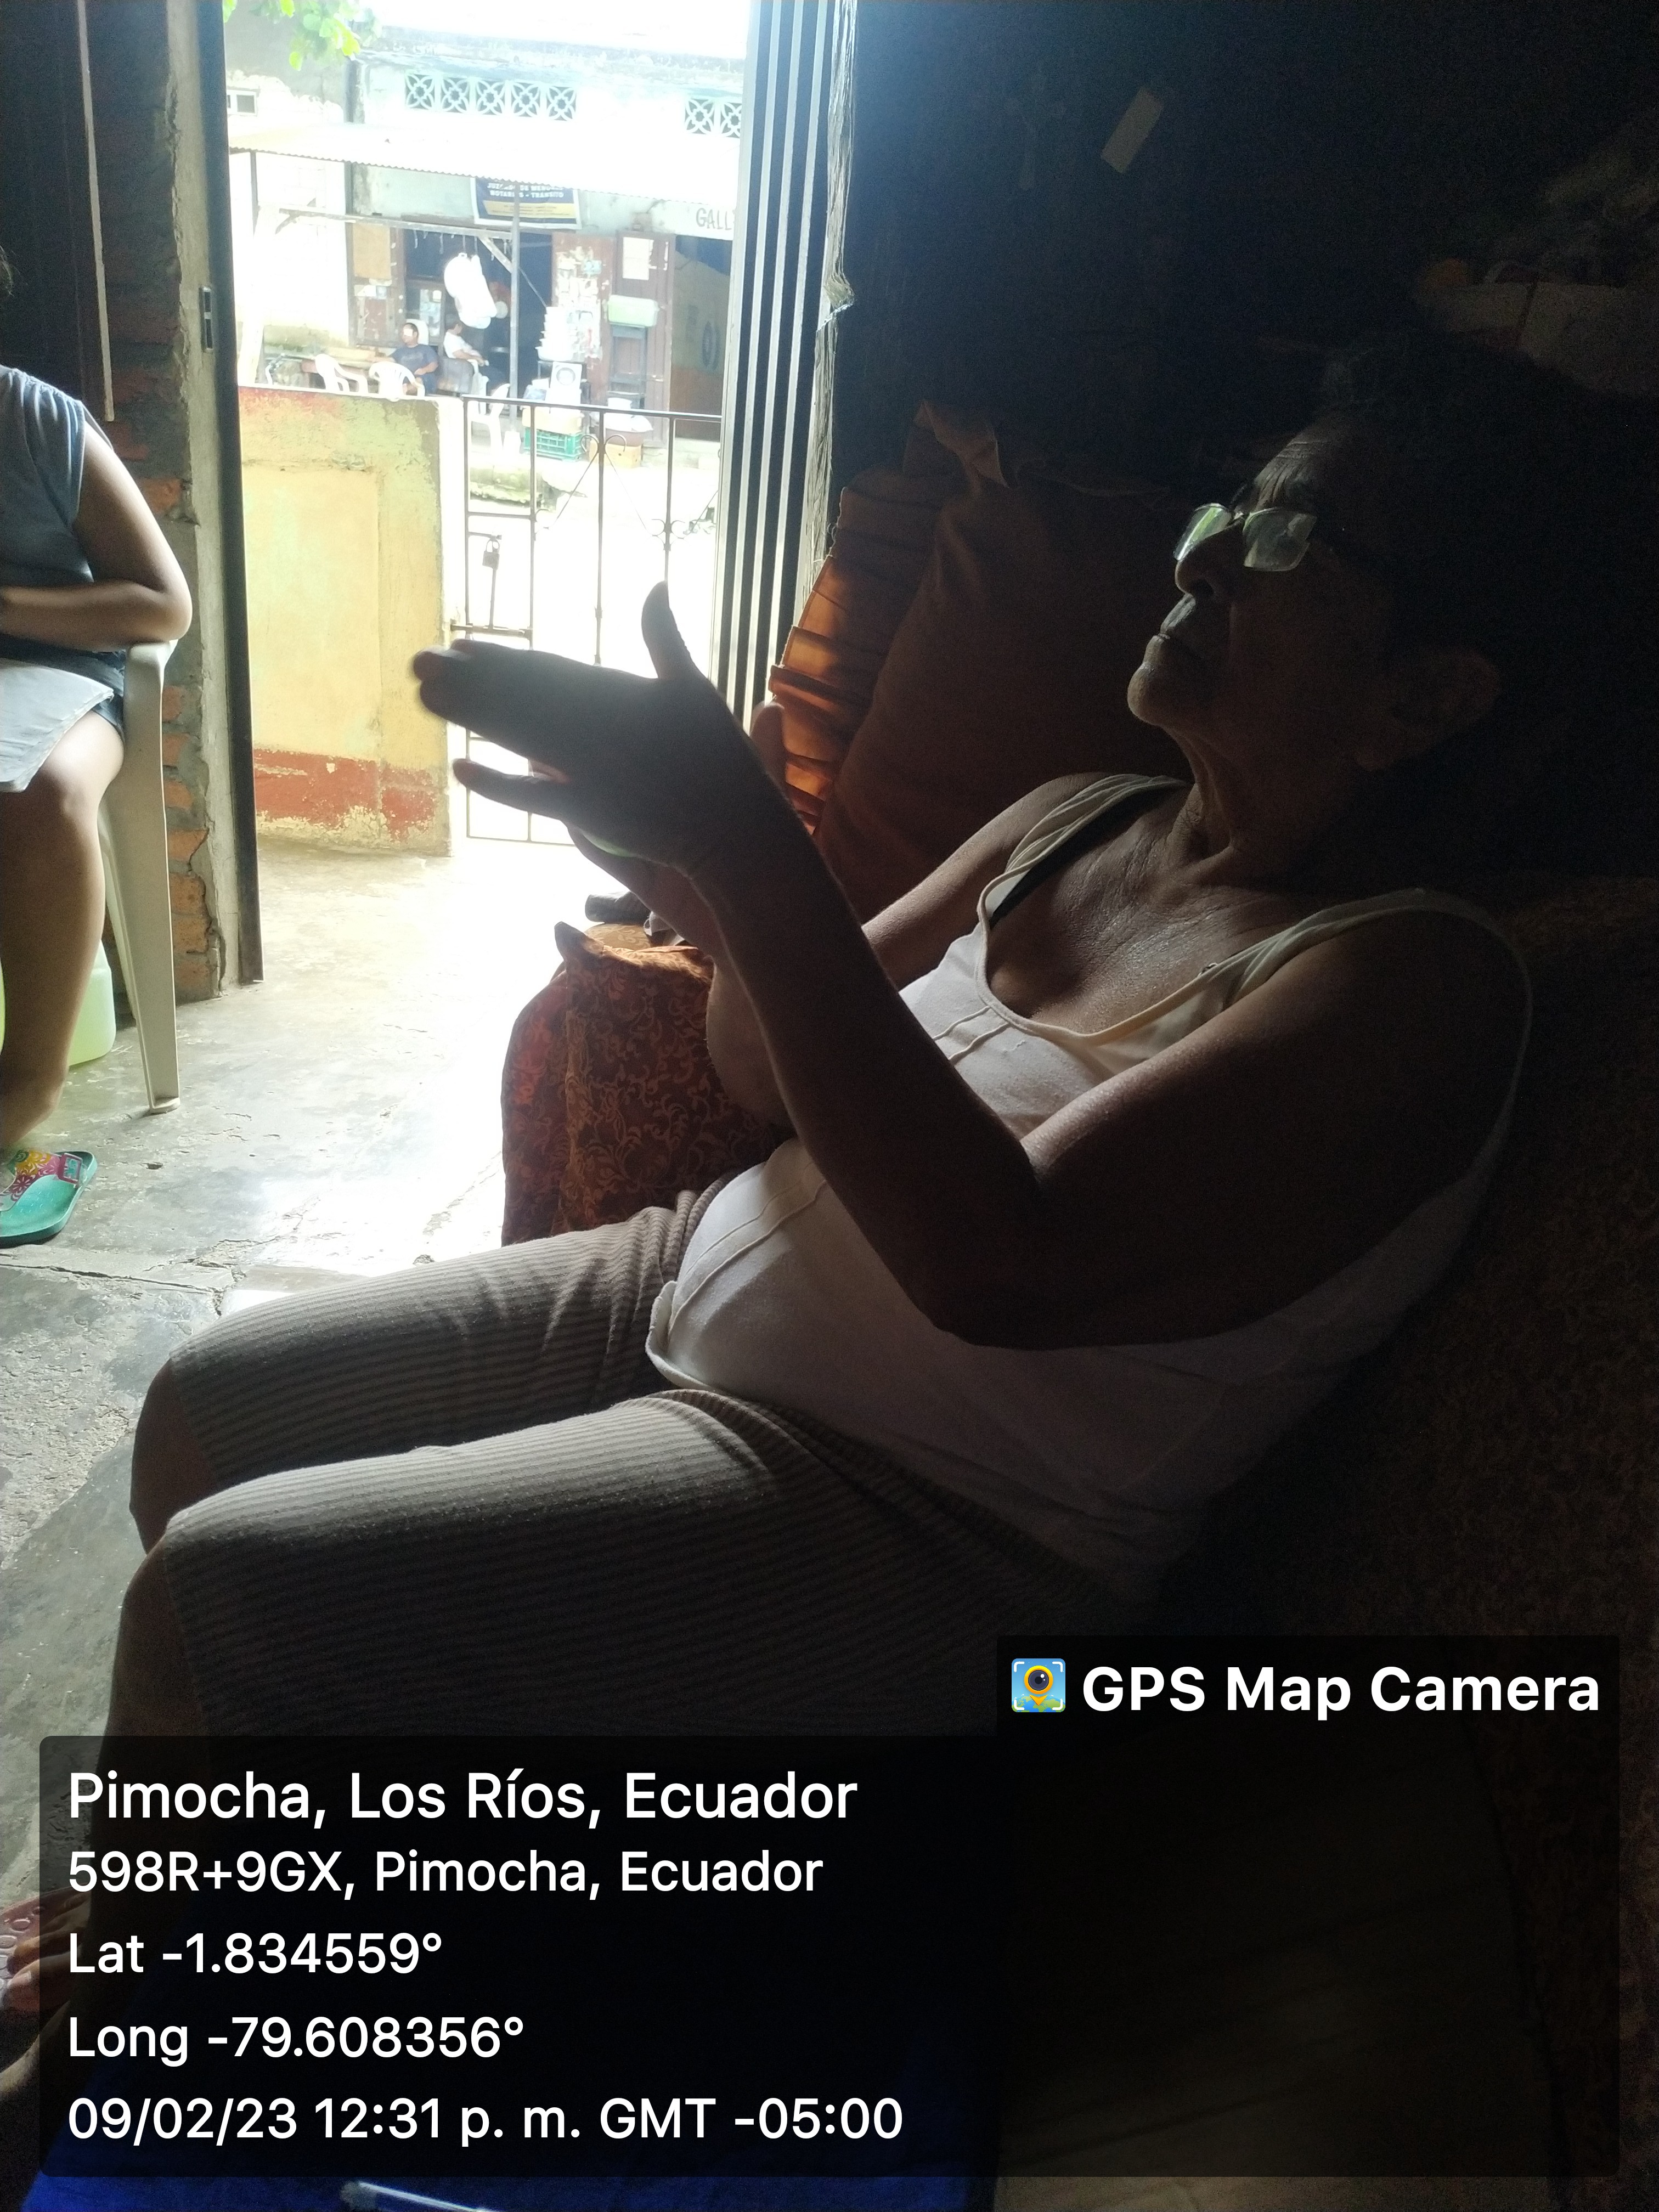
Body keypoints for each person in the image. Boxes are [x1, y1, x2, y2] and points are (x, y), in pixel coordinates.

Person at [0, 329, 1651, 2187]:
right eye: (1229, 506)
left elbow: (1000, 1266)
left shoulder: (1409, 984)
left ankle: (115, 2063)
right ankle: (252, 1894)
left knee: (219, 1606)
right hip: (676, 1288)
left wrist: (745, 837)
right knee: (207, 1409)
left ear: (1428, 694)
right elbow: (753, 1068)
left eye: (1287, 544)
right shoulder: (1079, 815)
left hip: (913, 1521)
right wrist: (704, 870)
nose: (1202, 558)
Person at [0, 244, 193, 1246]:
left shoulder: (37, 420)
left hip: (62, 674)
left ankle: (23, 1087)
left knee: (37, 795)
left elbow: (162, 603)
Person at [438, 315, 487, 396]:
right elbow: (459, 355)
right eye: (461, 326)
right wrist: (477, 358)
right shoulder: (451, 339)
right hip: (468, 367)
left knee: (495, 373)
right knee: (495, 376)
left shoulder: (455, 337)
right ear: (457, 326)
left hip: (474, 365)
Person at [388, 317, 438, 395]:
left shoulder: (426, 349)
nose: (404, 336)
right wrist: (373, 358)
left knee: (418, 381)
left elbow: (434, 365)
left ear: (415, 334)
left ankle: (405, 391)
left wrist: (424, 370)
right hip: (404, 381)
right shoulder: (400, 351)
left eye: (407, 333)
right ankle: (403, 391)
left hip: (423, 380)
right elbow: (390, 360)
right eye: (403, 334)